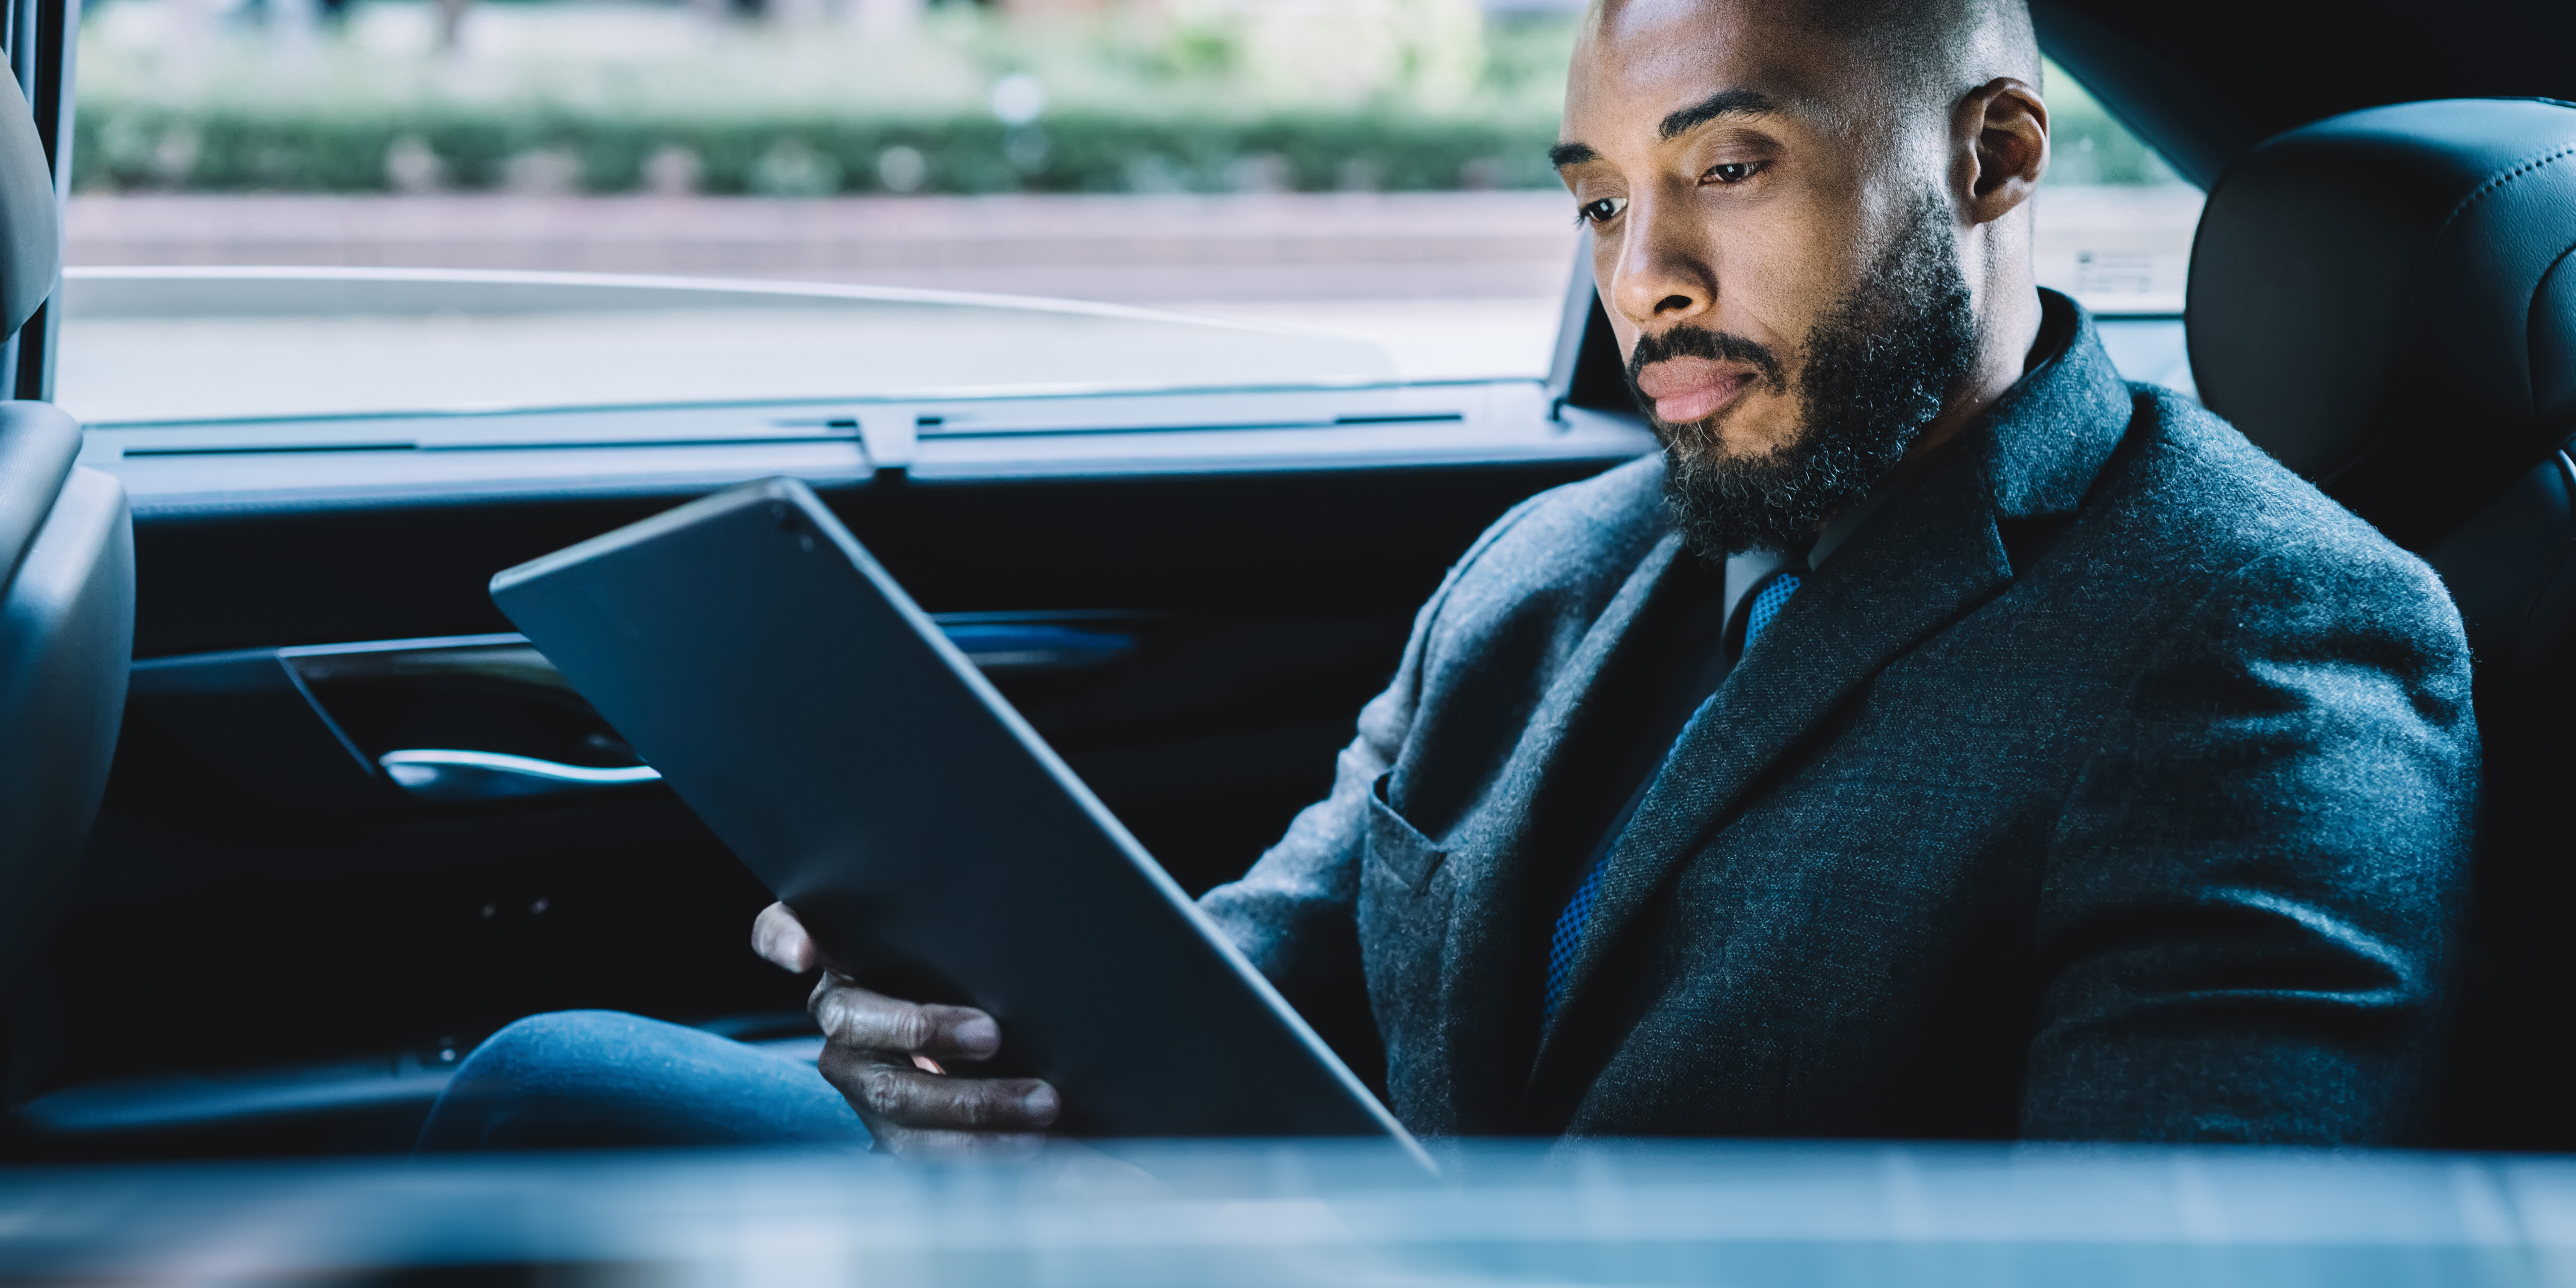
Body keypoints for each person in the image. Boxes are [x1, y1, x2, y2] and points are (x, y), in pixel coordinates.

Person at [417, 0, 2475, 1155]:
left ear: (1994, 159)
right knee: (551, 1088)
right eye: (1598, 202)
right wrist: (981, 1053)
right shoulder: (1547, 566)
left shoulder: (2262, 639)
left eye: (1727, 169)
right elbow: (1252, 985)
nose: (1647, 279)